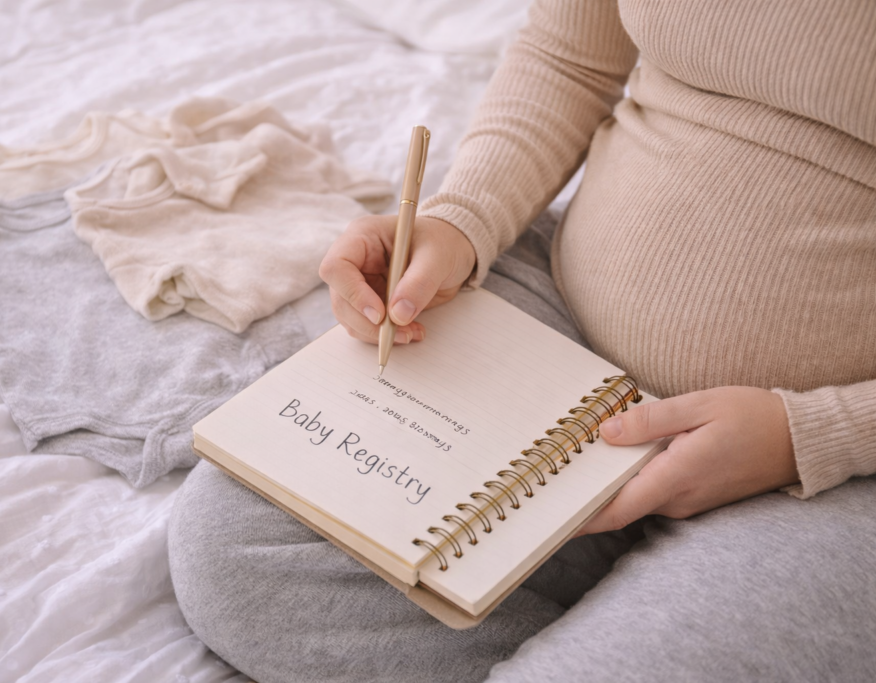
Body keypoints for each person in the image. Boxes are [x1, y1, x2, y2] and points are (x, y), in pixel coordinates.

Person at [168, 1, 876, 680]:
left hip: (829, 463)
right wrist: (460, 220)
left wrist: (817, 433)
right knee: (237, 550)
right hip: (562, 318)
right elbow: (569, 59)